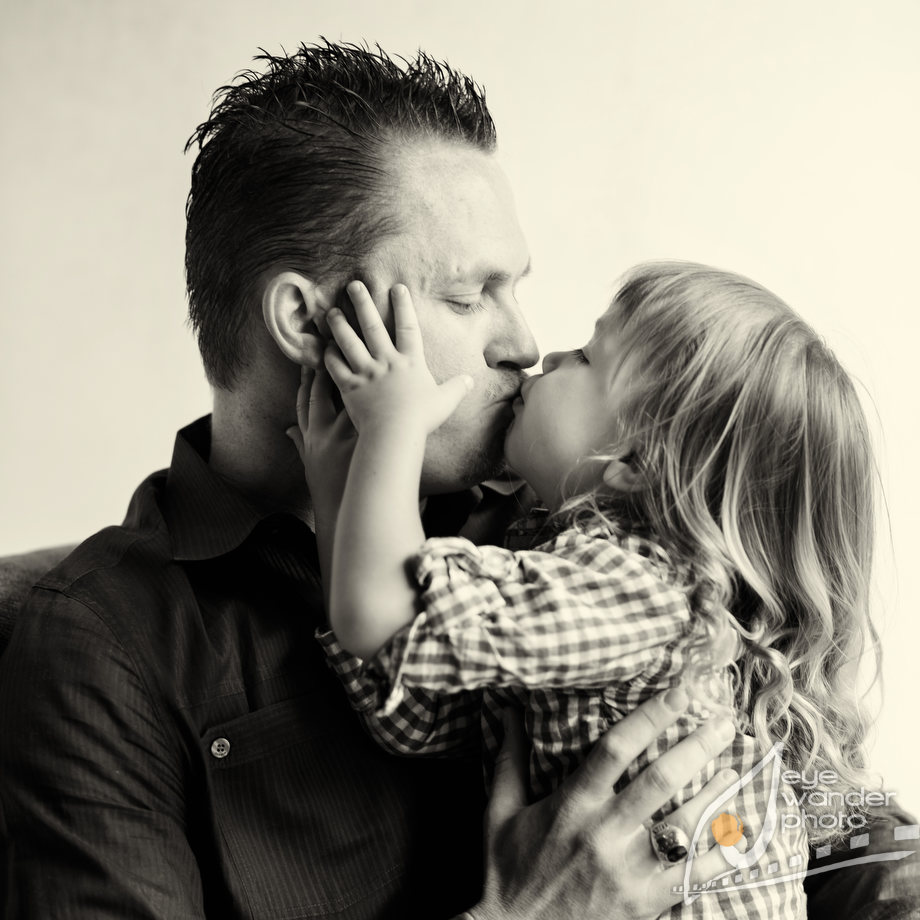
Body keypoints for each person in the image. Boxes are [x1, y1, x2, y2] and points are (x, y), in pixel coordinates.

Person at [0, 42, 739, 919]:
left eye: (515, 290)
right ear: (310, 323)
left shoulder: (554, 531)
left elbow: (812, 787)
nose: (524, 344)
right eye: (469, 298)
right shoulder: (104, 649)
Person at [291, 264, 881, 917]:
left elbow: (389, 624)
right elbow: (405, 703)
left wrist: (392, 430)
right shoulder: (575, 581)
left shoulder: (645, 594)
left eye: (585, 357)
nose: (545, 355)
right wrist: (336, 491)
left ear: (634, 462)